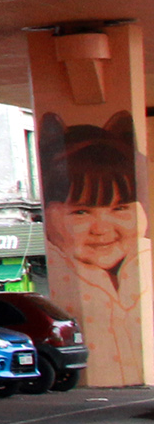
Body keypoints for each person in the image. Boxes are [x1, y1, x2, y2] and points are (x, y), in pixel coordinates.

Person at [38, 112, 148, 387]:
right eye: (81, 212)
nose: (101, 228)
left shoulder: (145, 263)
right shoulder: (62, 272)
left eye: (120, 208)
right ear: (47, 215)